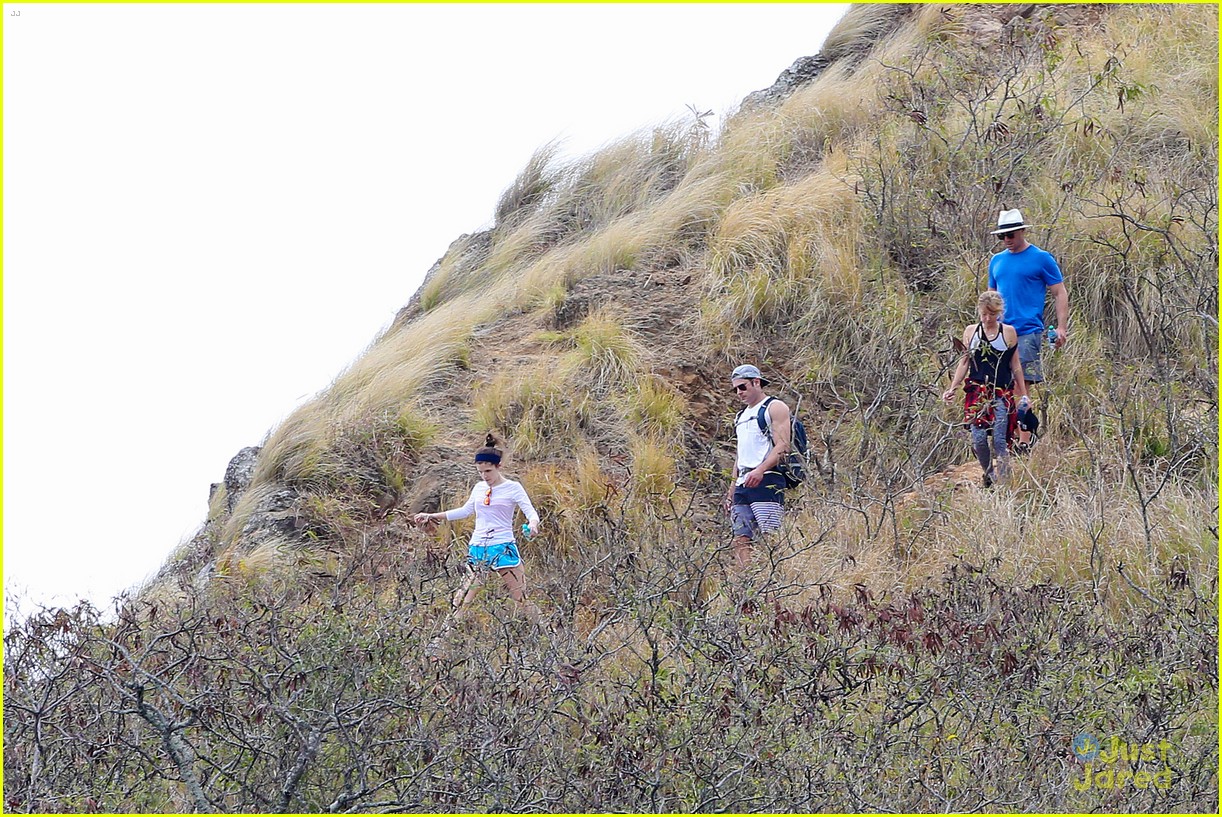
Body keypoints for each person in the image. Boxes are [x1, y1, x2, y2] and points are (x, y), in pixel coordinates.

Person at [414, 434, 542, 650]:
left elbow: (531, 513)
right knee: (463, 597)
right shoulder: (479, 488)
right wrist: (433, 516)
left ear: (498, 466)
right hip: (479, 548)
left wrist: (533, 525)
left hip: (503, 548)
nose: (484, 476)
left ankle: (545, 636)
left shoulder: (513, 487)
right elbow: (465, 511)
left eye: (488, 471)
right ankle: (439, 642)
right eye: (480, 471)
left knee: (520, 598)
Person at [987, 208, 1069, 444]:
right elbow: (990, 297)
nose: (1007, 240)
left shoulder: (1041, 258)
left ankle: (1025, 440)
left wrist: (1061, 328)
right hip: (1000, 333)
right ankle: (1009, 436)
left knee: (1022, 386)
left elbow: (1059, 292)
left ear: (1022, 230)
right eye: (1002, 236)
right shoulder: (997, 260)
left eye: (1011, 234)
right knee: (999, 386)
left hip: (1027, 331)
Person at [943, 290, 1030, 487]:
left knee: (1000, 440)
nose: (988, 318)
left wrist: (1023, 394)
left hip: (1001, 392)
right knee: (979, 439)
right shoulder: (971, 331)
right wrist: (952, 388)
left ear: (999, 312)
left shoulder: (1008, 332)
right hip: (977, 391)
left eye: (992, 314)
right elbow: (964, 362)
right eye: (984, 314)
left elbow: (1015, 365)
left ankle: (1005, 483)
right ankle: (989, 474)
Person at [724, 364, 792, 570]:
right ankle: (747, 581)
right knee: (740, 536)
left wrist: (761, 470)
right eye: (736, 389)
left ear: (756, 382)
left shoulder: (775, 407)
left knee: (770, 534)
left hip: (767, 478)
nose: (739, 393)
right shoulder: (740, 416)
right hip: (744, 482)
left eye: (742, 387)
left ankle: (774, 579)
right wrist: (732, 488)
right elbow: (740, 454)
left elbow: (783, 445)